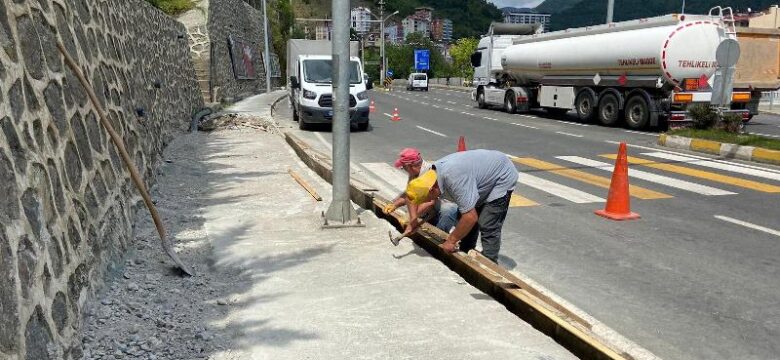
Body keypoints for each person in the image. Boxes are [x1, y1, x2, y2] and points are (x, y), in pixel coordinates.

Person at [404, 149, 518, 263]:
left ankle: (490, 263)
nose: (430, 201)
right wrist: (413, 220)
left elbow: (470, 217)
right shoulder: (428, 176)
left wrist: (451, 241)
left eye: (428, 198)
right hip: (479, 173)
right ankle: (466, 250)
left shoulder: (454, 180)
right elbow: (410, 197)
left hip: (501, 174)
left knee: (488, 223)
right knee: (466, 216)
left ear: (432, 189)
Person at [383, 148, 458, 238]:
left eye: (403, 167)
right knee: (413, 207)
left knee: (448, 209)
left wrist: (411, 217)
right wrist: (394, 204)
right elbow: (410, 194)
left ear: (410, 166)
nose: (403, 169)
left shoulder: (428, 172)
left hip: (447, 201)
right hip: (433, 199)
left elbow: (430, 202)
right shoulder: (414, 173)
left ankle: (437, 238)